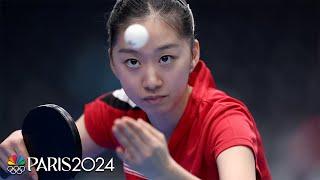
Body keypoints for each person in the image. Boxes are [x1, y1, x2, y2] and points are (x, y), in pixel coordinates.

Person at [0, 0, 272, 179]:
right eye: (133, 61)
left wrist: (165, 172)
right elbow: (45, 168)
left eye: (165, 58)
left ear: (193, 54)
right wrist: (16, 163)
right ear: (112, 63)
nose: (151, 80)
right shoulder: (116, 113)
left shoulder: (225, 120)